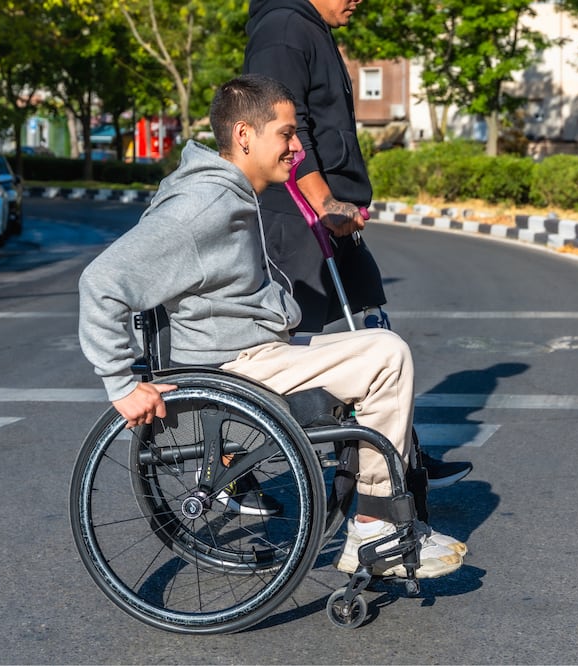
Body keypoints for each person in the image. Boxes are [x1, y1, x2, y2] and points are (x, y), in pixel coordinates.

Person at [78, 74, 465, 578]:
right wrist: (121, 383)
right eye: (286, 134)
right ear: (244, 135)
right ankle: (374, 527)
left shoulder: (228, 193)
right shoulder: (205, 204)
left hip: (247, 348)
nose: (298, 147)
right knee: (386, 356)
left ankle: (375, 513)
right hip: (235, 363)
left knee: (377, 343)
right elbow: (102, 279)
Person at [243, 0, 471, 489]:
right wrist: (325, 201)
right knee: (284, 347)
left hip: (332, 214)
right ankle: (225, 462)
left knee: (367, 322)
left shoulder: (312, 28)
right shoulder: (284, 28)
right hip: (298, 216)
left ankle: (398, 456)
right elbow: (284, 128)